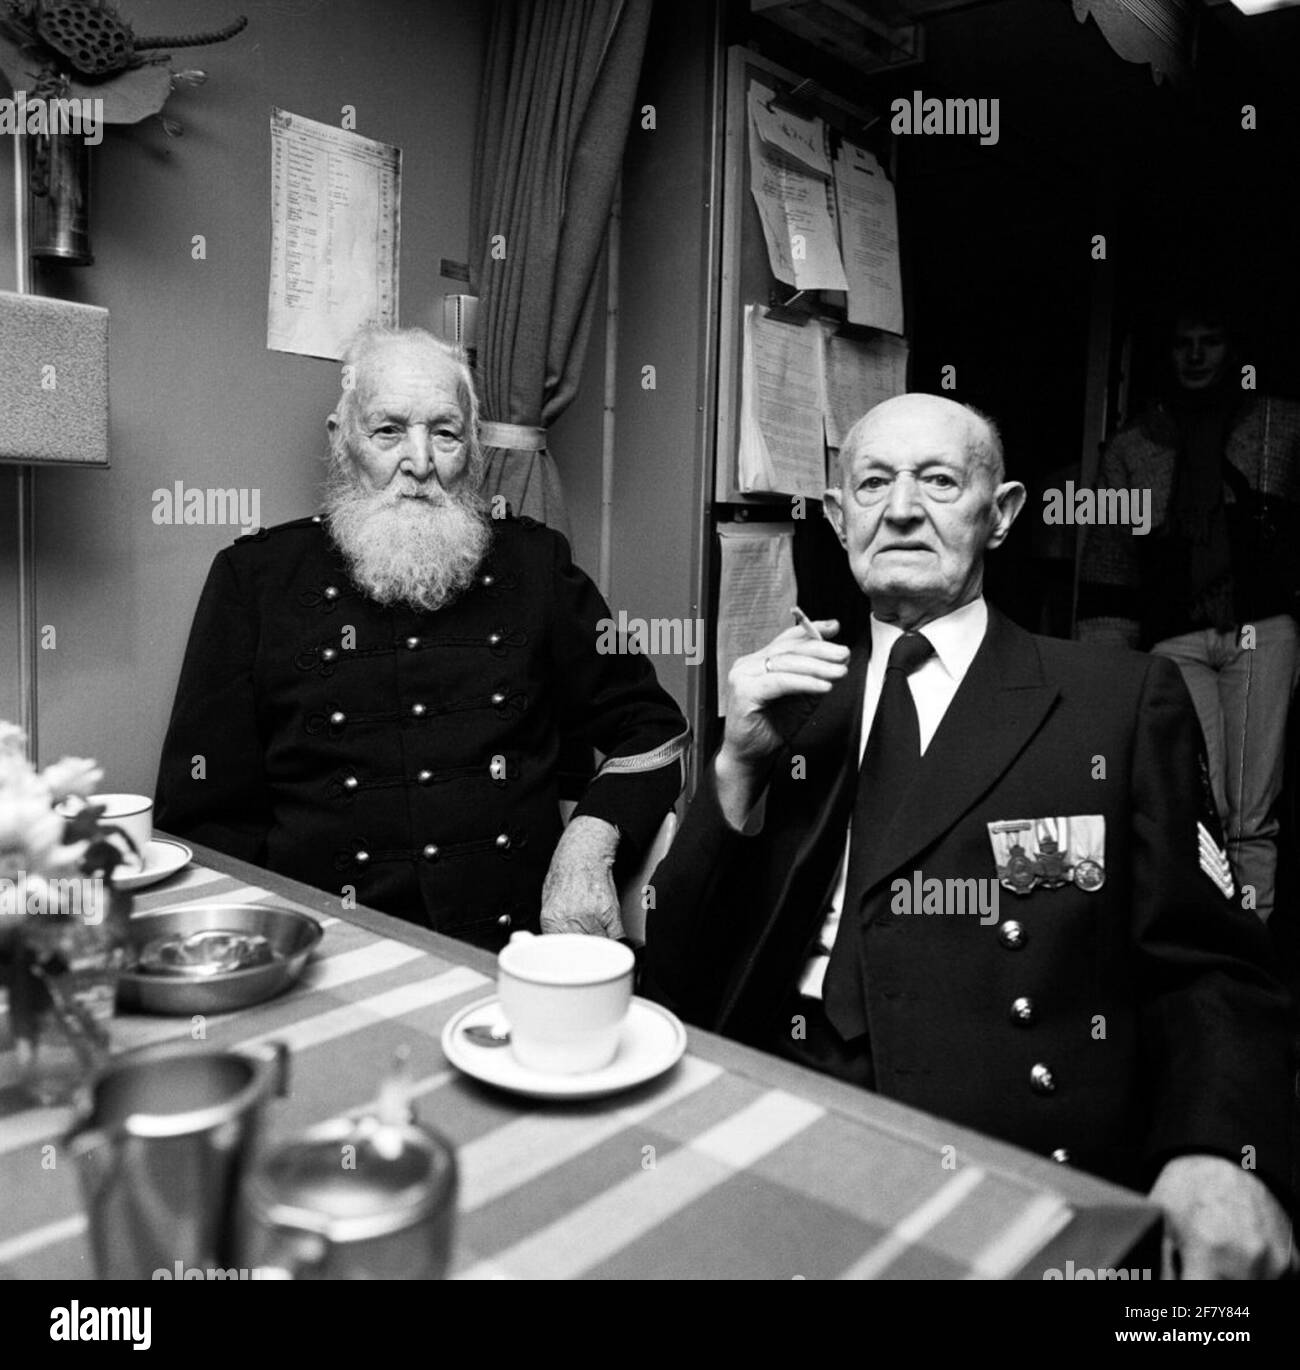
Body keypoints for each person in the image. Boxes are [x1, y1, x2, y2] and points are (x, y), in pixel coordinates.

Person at [644, 393, 1294, 1278]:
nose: (902, 508)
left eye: (939, 480)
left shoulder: (1115, 702)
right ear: (839, 520)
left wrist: (1221, 1152)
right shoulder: (791, 698)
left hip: (985, 1137)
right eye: (873, 483)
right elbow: (678, 972)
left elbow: (1209, 966)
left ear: (1003, 513)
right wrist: (734, 767)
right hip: (775, 1110)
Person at [156, 327, 688, 949]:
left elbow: (652, 726)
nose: (420, 462)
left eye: (445, 432)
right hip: (324, 952)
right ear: (341, 441)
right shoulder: (255, 580)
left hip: (512, 950)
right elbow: (204, 818)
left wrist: (590, 839)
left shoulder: (535, 566)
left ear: (473, 449)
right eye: (388, 431)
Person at [1078, 298, 1300, 924]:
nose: (1197, 355)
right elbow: (1109, 561)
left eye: (1211, 340)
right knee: (1196, 806)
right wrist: (1102, 673)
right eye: (1183, 343)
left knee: (1251, 812)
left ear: (1235, 349)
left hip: (1263, 633)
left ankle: (1250, 958)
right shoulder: (1133, 447)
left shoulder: (1278, 427)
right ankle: (1206, 948)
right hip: (1174, 640)